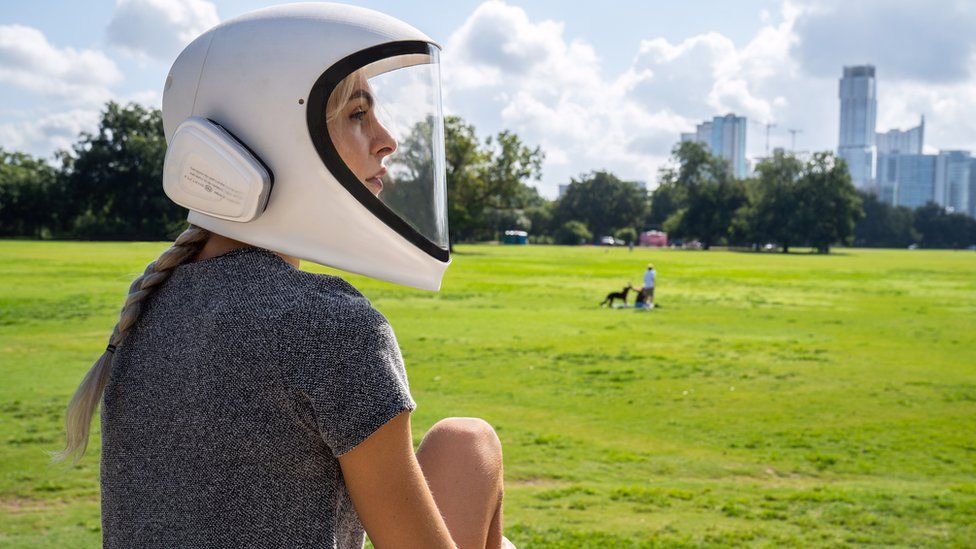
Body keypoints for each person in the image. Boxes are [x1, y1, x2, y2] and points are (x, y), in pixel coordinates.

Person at [53, 4, 514, 548]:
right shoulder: (327, 323)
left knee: (463, 443)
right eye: (357, 115)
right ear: (281, 132)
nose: (387, 140)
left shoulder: (150, 311)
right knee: (471, 443)